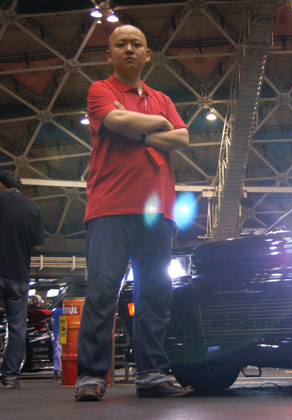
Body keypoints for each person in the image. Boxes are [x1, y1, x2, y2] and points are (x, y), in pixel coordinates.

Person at [75, 25, 191, 401]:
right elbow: (117, 121)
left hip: (158, 213)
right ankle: (91, 376)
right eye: (120, 44)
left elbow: (182, 137)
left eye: (136, 44)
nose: (129, 49)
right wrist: (159, 124)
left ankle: (152, 373)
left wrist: (140, 130)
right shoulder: (101, 90)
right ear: (109, 54)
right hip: (110, 207)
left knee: (155, 294)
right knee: (102, 291)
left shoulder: (161, 97)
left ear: (147, 54)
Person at [0, 170, 45, 389]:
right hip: (18, 275)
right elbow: (36, 245)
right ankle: (10, 377)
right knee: (17, 326)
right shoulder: (34, 208)